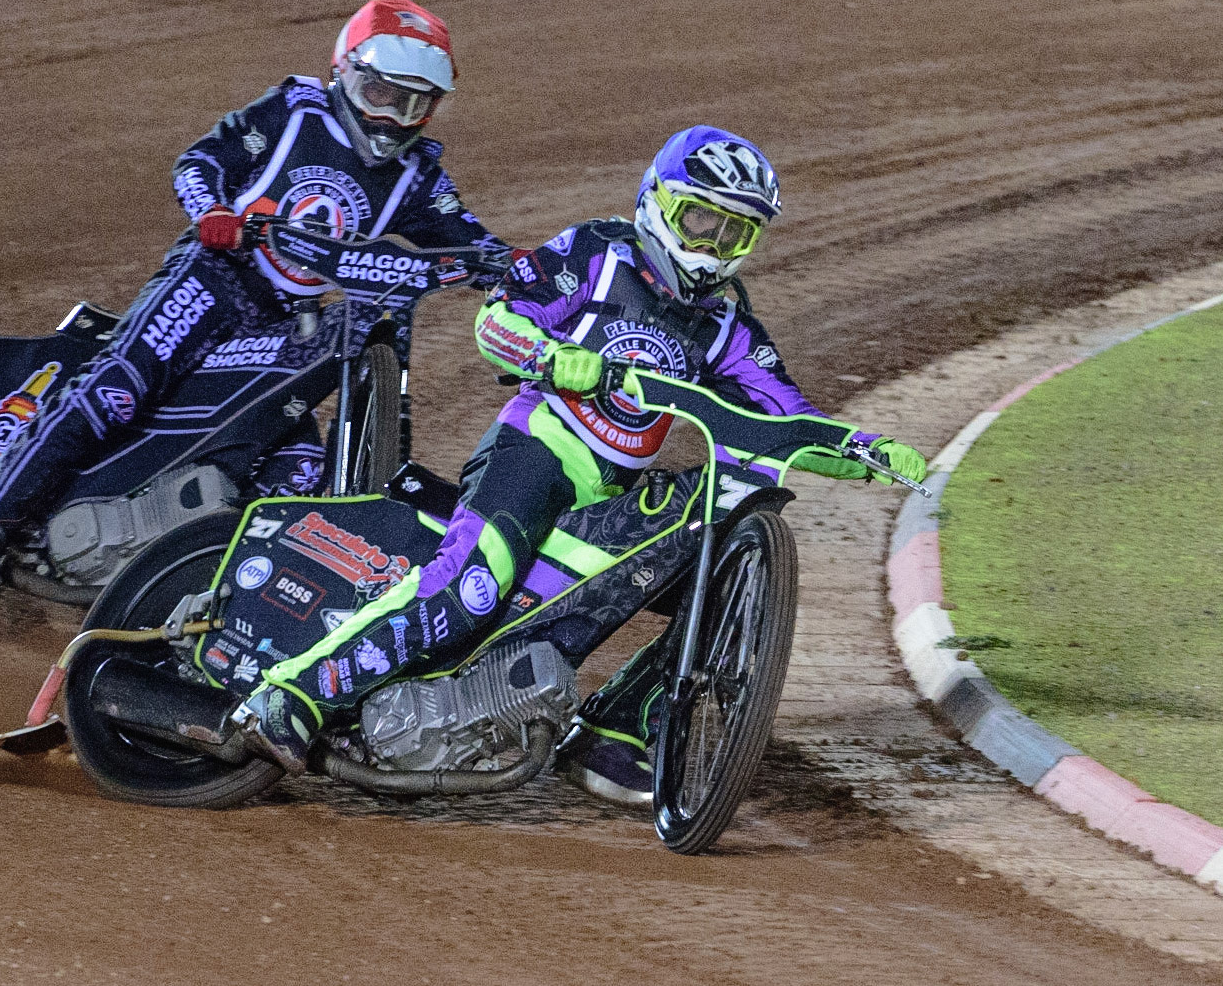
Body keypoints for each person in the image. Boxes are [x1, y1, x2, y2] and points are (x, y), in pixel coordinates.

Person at [230, 125, 928, 805]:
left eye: (733, 233)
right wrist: (550, 355)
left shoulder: (726, 324)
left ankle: (612, 730)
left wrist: (859, 446)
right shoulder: (596, 252)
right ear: (658, 200)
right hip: (535, 448)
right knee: (472, 585)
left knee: (707, 566)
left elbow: (784, 414)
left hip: (606, 492)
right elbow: (497, 319)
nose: (712, 247)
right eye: (699, 221)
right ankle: (292, 694)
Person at [0, 0, 510, 590]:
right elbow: (200, 161)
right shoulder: (293, 111)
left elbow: (474, 243)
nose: (392, 118)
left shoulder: (419, 178)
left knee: (296, 469)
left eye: (414, 103)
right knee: (117, 388)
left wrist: (527, 271)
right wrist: (211, 210)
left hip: (288, 322)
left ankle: (197, 603)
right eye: (382, 94)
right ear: (346, 71)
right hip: (212, 280)